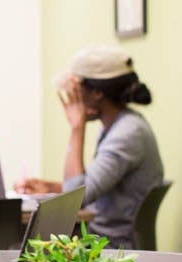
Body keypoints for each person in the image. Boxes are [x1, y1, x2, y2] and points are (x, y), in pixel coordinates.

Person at [15, 45, 163, 248]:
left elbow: (76, 196)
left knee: (21, 247)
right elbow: (91, 187)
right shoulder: (119, 126)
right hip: (100, 238)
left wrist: (77, 128)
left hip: (111, 249)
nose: (72, 98)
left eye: (76, 91)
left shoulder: (127, 133)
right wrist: (49, 188)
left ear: (96, 92)